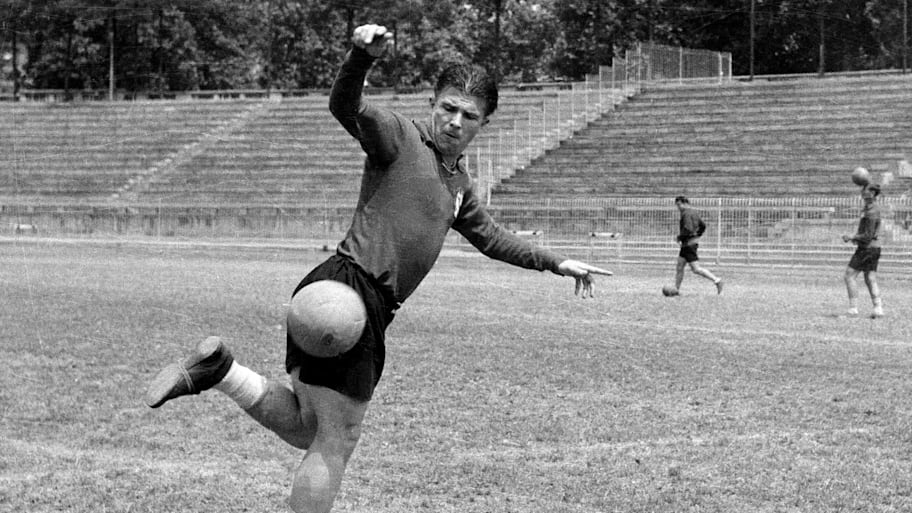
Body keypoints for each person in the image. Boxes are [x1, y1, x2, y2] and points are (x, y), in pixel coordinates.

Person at [144, 23, 612, 513]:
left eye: (468, 115)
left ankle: (221, 371)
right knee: (336, 440)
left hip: (333, 297)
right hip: (351, 295)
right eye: (447, 107)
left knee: (311, 427)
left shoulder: (459, 186)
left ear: (483, 124)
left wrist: (557, 261)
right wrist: (360, 58)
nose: (454, 121)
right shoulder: (401, 138)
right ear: (433, 103)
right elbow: (346, 106)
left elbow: (492, 239)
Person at [843, 183, 884, 318]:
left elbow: (868, 235)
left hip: (867, 248)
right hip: (874, 248)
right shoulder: (870, 209)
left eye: (865, 191)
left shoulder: (872, 211)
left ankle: (853, 309)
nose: (862, 192)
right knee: (870, 277)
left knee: (849, 275)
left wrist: (852, 237)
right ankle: (878, 308)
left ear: (872, 194)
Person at [671, 195, 723, 295]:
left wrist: (679, 237)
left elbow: (688, 229)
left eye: (679, 205)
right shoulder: (693, 212)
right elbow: (703, 225)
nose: (678, 208)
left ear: (685, 203)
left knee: (696, 269)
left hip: (689, 244)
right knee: (680, 266)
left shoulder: (686, 214)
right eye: (677, 205)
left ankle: (717, 280)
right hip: (688, 244)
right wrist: (697, 235)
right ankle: (676, 290)